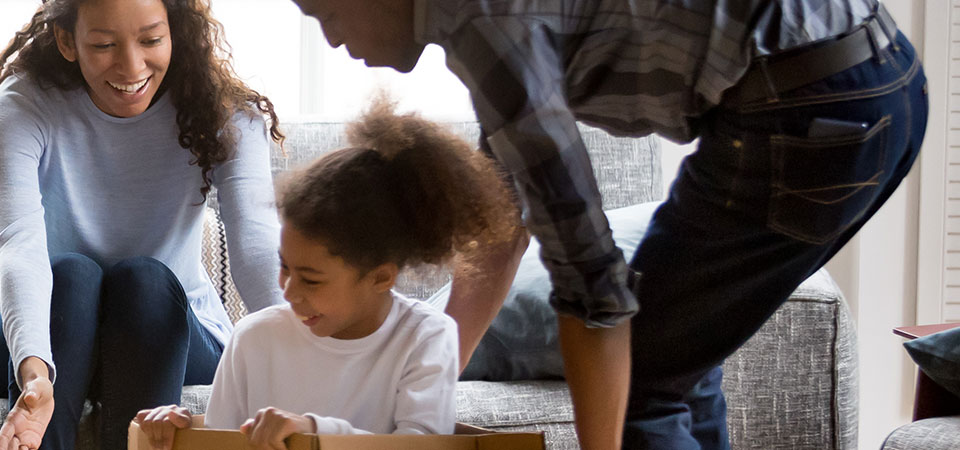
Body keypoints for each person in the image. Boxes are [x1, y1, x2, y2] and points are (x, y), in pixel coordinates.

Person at [290, 0, 927, 448]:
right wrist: (431, 378)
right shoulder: (488, 23)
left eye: (327, 13)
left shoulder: (480, 19)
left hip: (807, 103)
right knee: (679, 354)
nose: (332, 40)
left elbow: (592, 287)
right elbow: (506, 206)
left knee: (641, 379)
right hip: (884, 79)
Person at [0, 0, 288, 449]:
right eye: (104, 44)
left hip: (158, 329)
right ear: (67, 40)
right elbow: (19, 247)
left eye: (151, 40)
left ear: (175, 31)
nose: (131, 65)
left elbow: (255, 242)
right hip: (30, 332)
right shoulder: (22, 105)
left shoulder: (227, 112)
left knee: (146, 279)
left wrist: (297, 353)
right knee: (73, 276)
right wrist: (35, 376)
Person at [133, 98, 522, 449]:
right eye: (284, 266)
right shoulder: (254, 338)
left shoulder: (427, 337)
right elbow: (223, 442)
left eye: (312, 279)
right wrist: (178, 433)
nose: (289, 291)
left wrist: (313, 431)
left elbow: (420, 445)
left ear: (382, 278)